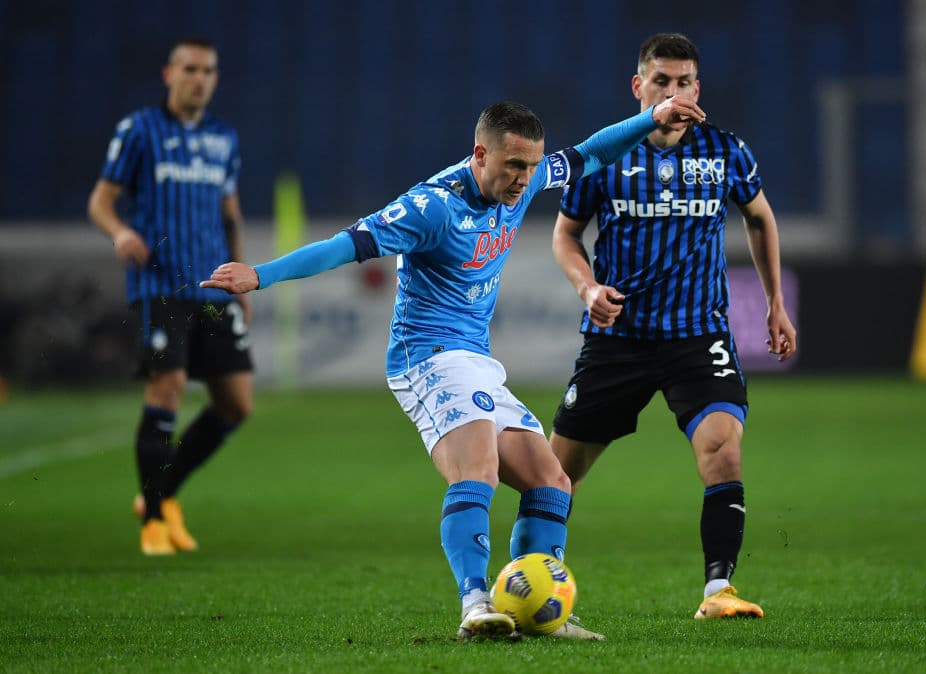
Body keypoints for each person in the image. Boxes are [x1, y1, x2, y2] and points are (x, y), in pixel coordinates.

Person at [201, 96, 704, 639]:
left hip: (476, 359)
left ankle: (536, 613)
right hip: (427, 356)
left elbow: (590, 154)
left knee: (551, 479)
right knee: (478, 468)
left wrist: (651, 120)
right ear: (480, 154)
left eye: (532, 166)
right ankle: (474, 601)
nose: (524, 179)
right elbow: (345, 246)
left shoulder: (528, 178)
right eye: (513, 165)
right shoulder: (431, 207)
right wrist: (262, 274)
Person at [548, 33, 797, 620]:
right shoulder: (604, 155)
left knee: (723, 451)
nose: (675, 92)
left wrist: (774, 302)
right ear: (639, 88)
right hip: (618, 339)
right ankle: (536, 585)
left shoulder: (724, 150)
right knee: (554, 477)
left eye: (685, 82)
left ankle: (719, 592)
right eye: (662, 81)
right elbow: (565, 234)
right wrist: (587, 289)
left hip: (697, 335)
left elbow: (759, 217)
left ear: (698, 88)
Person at [87, 37, 253, 556]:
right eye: (190, 69)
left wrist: (242, 274)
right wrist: (119, 233)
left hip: (213, 287)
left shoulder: (224, 137)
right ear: (169, 74)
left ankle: (163, 493)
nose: (199, 78)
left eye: (208, 70)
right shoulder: (138, 130)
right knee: (169, 385)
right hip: (161, 284)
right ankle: (154, 519)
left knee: (236, 404)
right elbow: (100, 201)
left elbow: (230, 213)